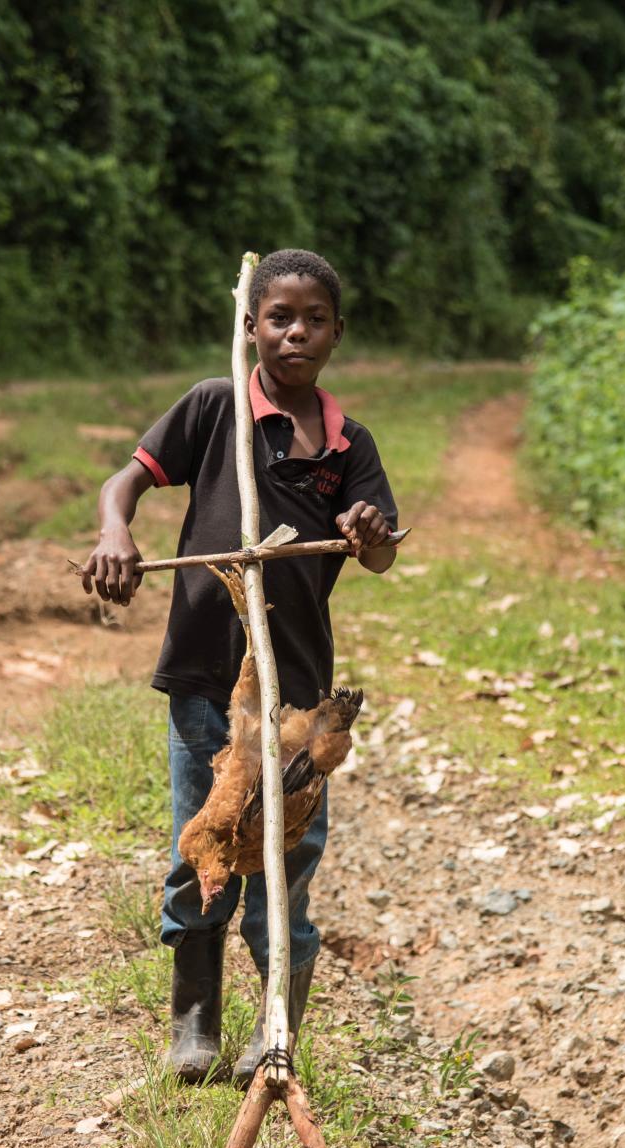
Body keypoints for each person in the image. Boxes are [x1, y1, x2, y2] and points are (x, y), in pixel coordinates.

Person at [80, 249, 398, 1086]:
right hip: (203, 679)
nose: (296, 332)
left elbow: (380, 552)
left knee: (286, 856)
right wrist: (115, 533)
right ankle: (194, 1022)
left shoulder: (347, 447)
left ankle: (276, 1027)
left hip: (293, 698)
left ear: (338, 332)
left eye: (315, 319)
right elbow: (127, 482)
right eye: (279, 317)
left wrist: (367, 530)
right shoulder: (216, 406)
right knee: (205, 842)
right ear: (249, 325)